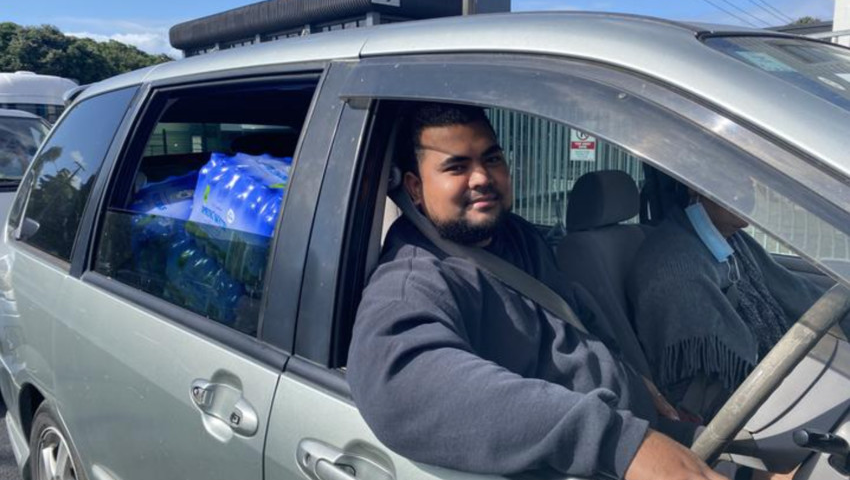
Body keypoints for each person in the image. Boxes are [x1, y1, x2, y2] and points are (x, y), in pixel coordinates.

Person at [347, 102, 725, 480]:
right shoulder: (413, 281)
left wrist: (636, 381)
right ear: (415, 188)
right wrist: (623, 445)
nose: (481, 177)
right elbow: (401, 385)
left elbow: (578, 319)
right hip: (599, 461)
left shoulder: (518, 237)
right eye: (457, 167)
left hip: (645, 428)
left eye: (491, 158)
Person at [628, 179, 843, 422]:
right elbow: (710, 383)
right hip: (738, 407)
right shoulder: (673, 263)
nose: (748, 193)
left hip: (781, 380)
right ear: (694, 184)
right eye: (735, 181)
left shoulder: (733, 240)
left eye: (750, 184)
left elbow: (794, 290)